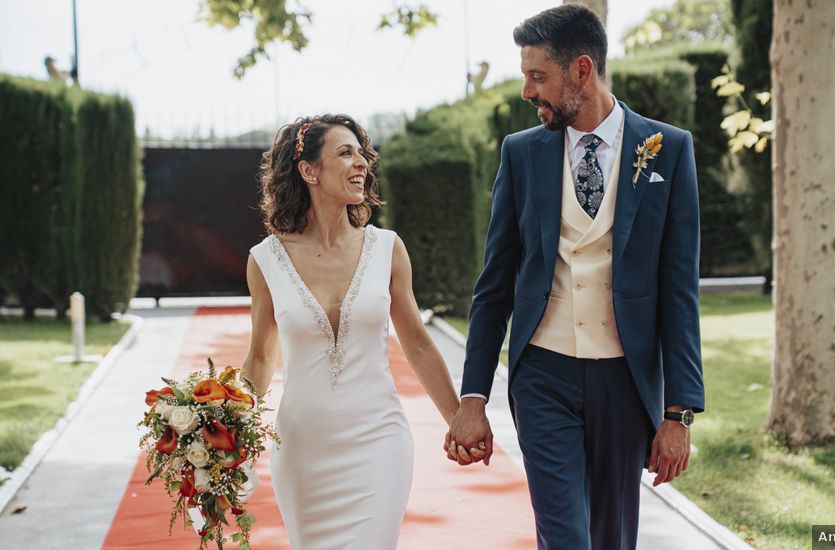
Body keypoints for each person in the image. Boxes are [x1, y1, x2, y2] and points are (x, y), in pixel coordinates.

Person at [446, 5, 706, 549]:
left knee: (611, 537)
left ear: (581, 71)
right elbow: (494, 285)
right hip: (543, 375)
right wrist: (473, 396)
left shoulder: (669, 149)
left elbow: (680, 292)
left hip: (624, 378)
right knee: (565, 536)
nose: (526, 91)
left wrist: (678, 412)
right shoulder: (520, 154)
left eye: (537, 76)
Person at [241, 114, 473, 549]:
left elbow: (418, 344)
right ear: (309, 170)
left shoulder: (388, 248)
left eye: (362, 152)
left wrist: (459, 418)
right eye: (345, 153)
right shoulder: (265, 260)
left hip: (378, 442)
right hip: (302, 452)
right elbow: (259, 356)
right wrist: (228, 434)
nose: (361, 163)